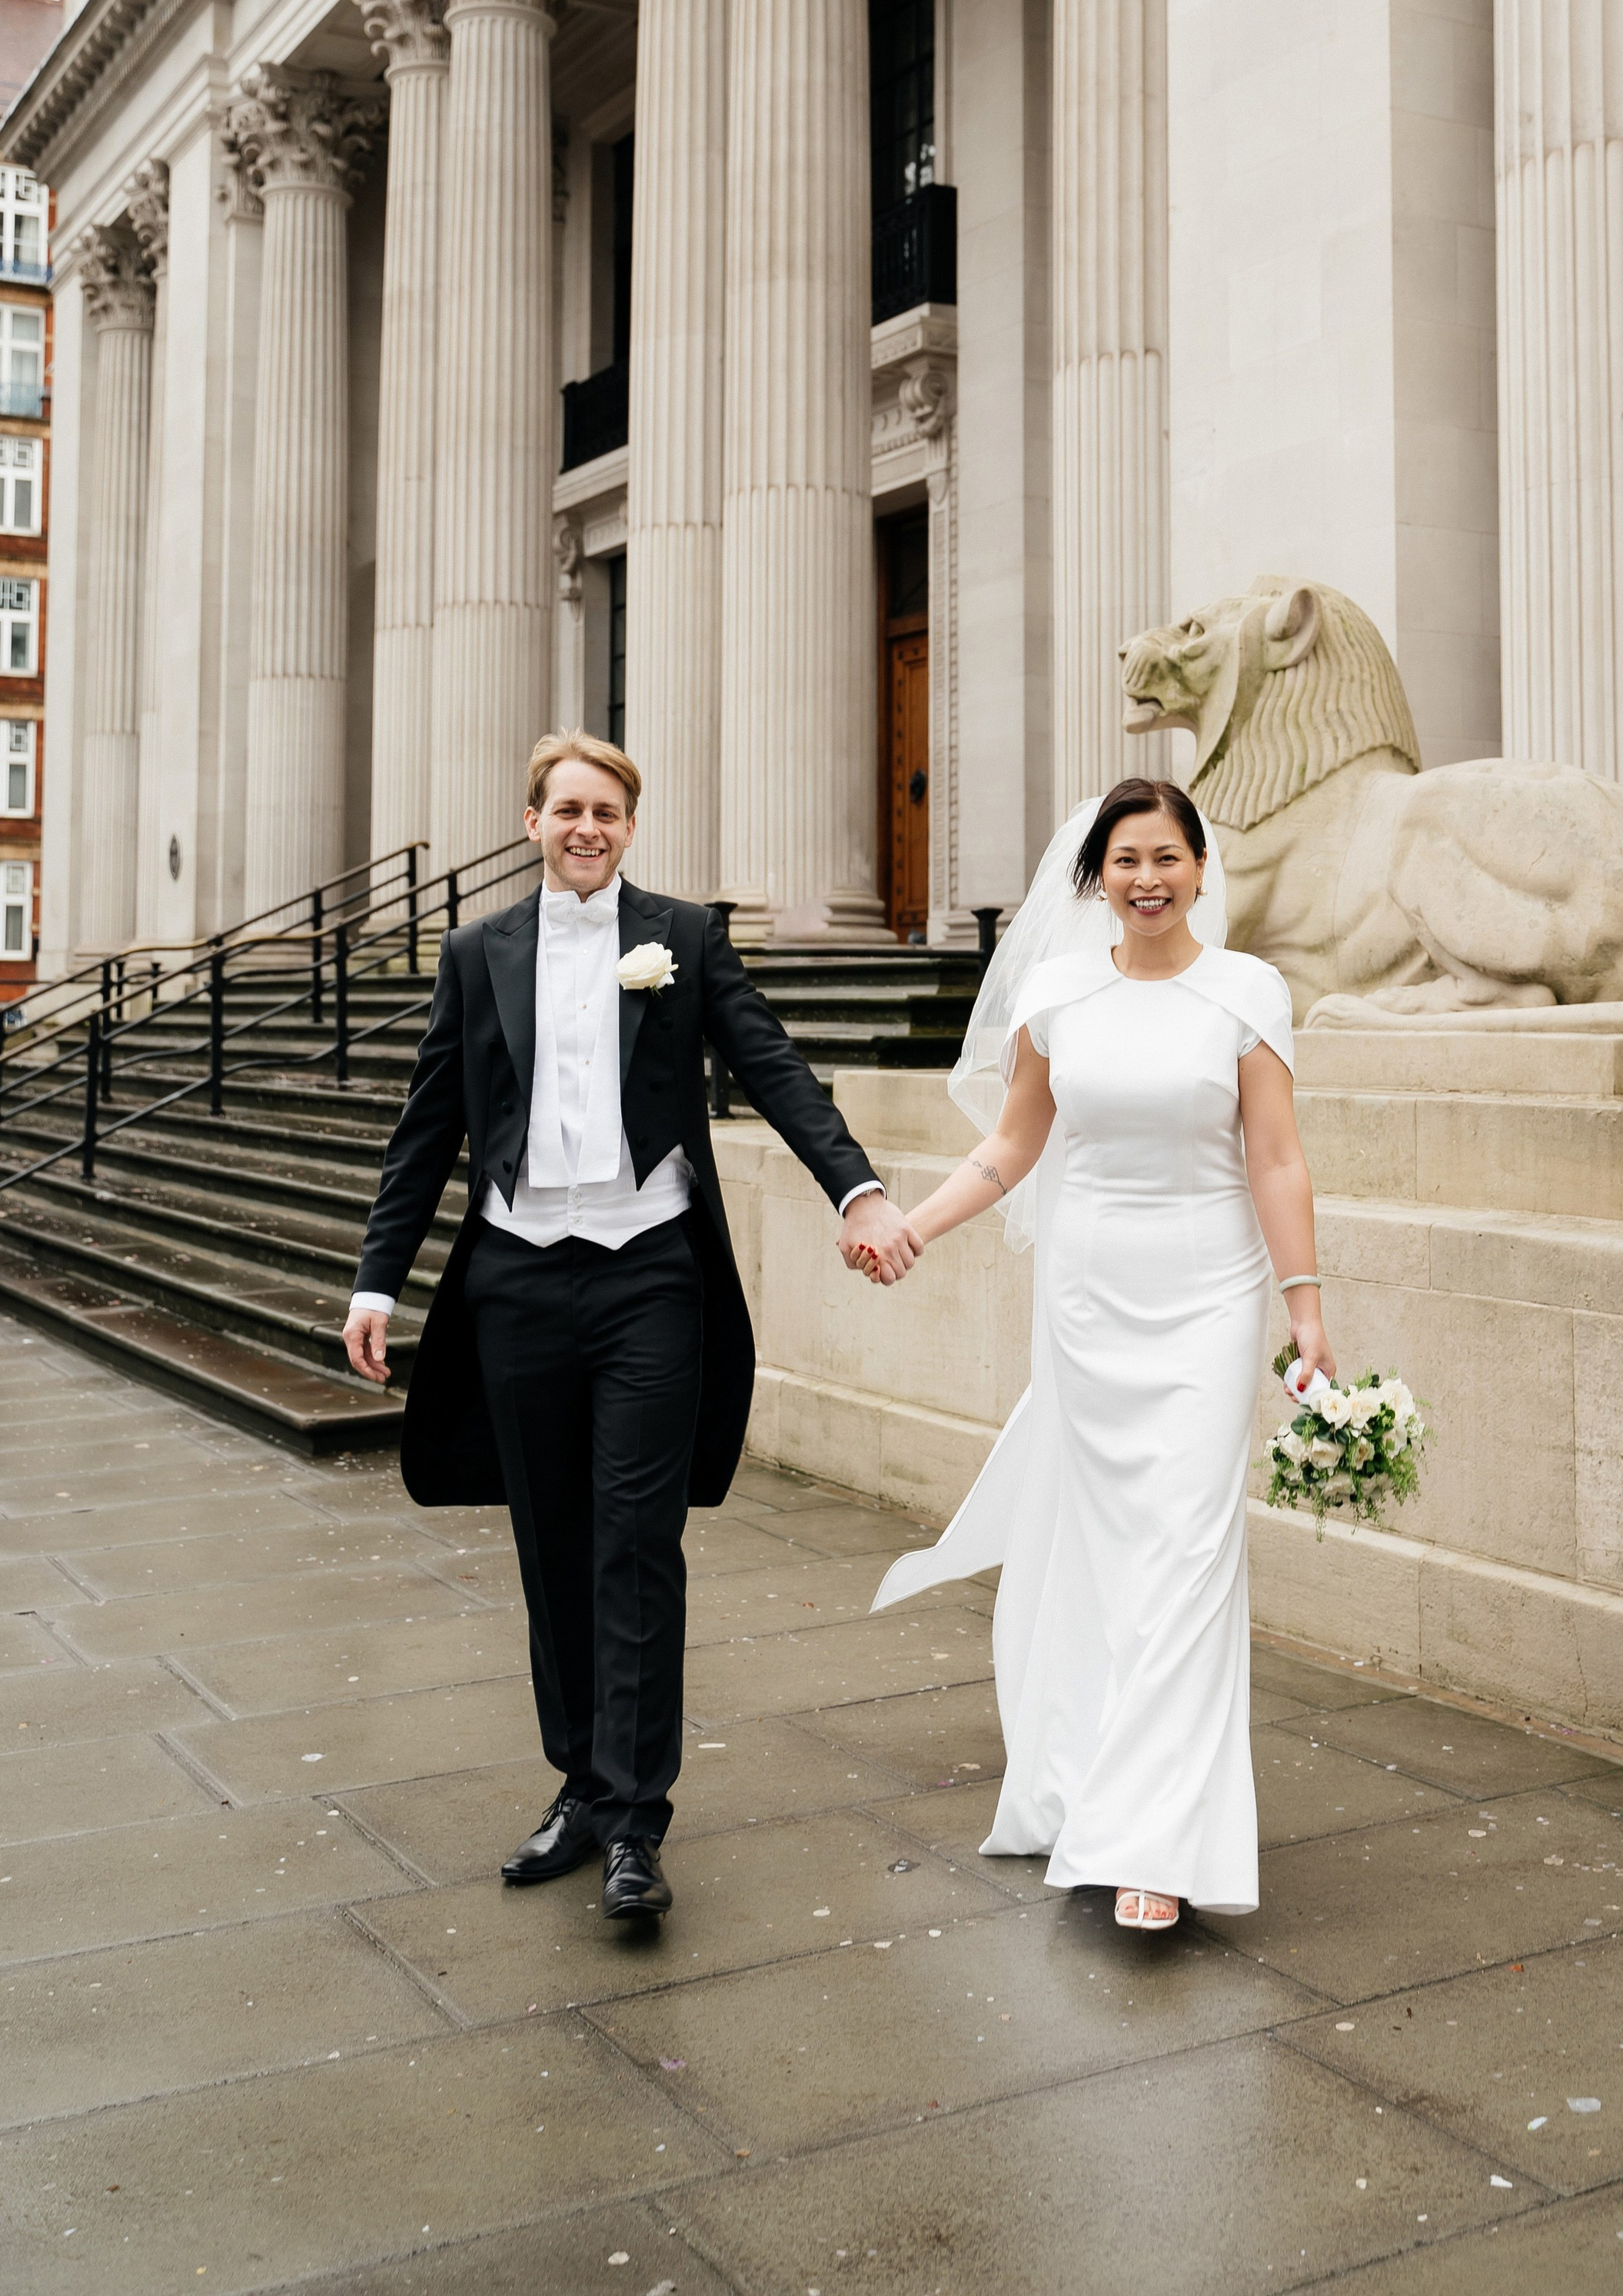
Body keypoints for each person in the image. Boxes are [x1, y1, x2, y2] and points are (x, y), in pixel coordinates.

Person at [341, 732, 921, 1922]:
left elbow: (774, 1067)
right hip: (515, 1280)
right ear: (531, 820)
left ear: (632, 824)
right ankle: (580, 1787)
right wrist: (374, 1281)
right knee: (552, 1543)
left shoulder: (685, 941)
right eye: (566, 809)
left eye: (607, 810)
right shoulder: (476, 951)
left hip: (650, 1272)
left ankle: (637, 1825)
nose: (586, 827)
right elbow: (427, 1124)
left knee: (636, 1543)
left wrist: (855, 1186)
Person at [853, 777, 1329, 1929]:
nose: (1149, 879)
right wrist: (912, 1224)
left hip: (1211, 1297)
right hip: (1087, 1293)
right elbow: (1013, 1148)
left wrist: (1305, 1306)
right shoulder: (1058, 993)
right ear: (1095, 879)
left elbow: (1275, 1161)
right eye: (1126, 861)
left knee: (1188, 1548)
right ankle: (1086, 1780)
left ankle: (1157, 1844)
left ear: (1202, 869)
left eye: (1168, 857)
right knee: (1105, 1549)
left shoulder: (1248, 993)